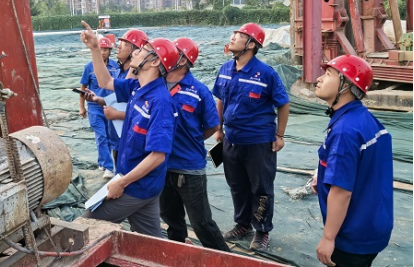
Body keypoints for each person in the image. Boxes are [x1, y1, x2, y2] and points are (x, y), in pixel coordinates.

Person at [80, 21, 179, 238]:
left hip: (136, 186)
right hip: (142, 183)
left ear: (154, 62)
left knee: (86, 225)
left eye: (142, 50)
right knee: (151, 242)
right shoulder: (137, 87)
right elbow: (105, 81)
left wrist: (122, 183)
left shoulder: (160, 102)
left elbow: (158, 156)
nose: (135, 52)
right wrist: (95, 49)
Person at [213, 23, 290, 251]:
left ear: (251, 44)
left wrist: (279, 135)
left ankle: (262, 230)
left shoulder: (266, 73)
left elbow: (283, 104)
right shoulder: (225, 69)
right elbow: (220, 100)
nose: (233, 37)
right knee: (237, 185)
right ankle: (242, 224)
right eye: (235, 34)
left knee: (261, 188)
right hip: (231, 140)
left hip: (258, 142)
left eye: (239, 35)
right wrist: (218, 129)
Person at [311, 55, 393, 267]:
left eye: (328, 74)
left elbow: (342, 191)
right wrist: (321, 176)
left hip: (353, 235)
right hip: (373, 224)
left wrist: (328, 238)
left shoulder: (345, 131)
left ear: (346, 85)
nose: (319, 79)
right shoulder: (362, 119)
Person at [160, 37, 230, 252]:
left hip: (188, 167)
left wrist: (192, 138)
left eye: (173, 52)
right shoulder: (156, 84)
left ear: (183, 60)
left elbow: (212, 124)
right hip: (161, 164)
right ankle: (178, 253)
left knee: (201, 223)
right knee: (171, 218)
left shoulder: (198, 90)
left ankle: (225, 259)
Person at [85, 29, 150, 166]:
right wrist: (99, 100)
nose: (118, 47)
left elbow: (143, 114)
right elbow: (119, 99)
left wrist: (117, 115)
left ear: (136, 51)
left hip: (130, 141)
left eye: (124, 44)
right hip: (118, 139)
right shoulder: (120, 72)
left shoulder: (140, 79)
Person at [79, 36, 119, 180]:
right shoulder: (89, 67)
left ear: (110, 51)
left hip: (111, 106)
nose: (103, 52)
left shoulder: (115, 66)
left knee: (110, 136)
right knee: (101, 137)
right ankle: (108, 167)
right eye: (101, 49)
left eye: (106, 49)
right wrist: (81, 107)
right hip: (95, 108)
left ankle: (103, 161)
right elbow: (83, 88)